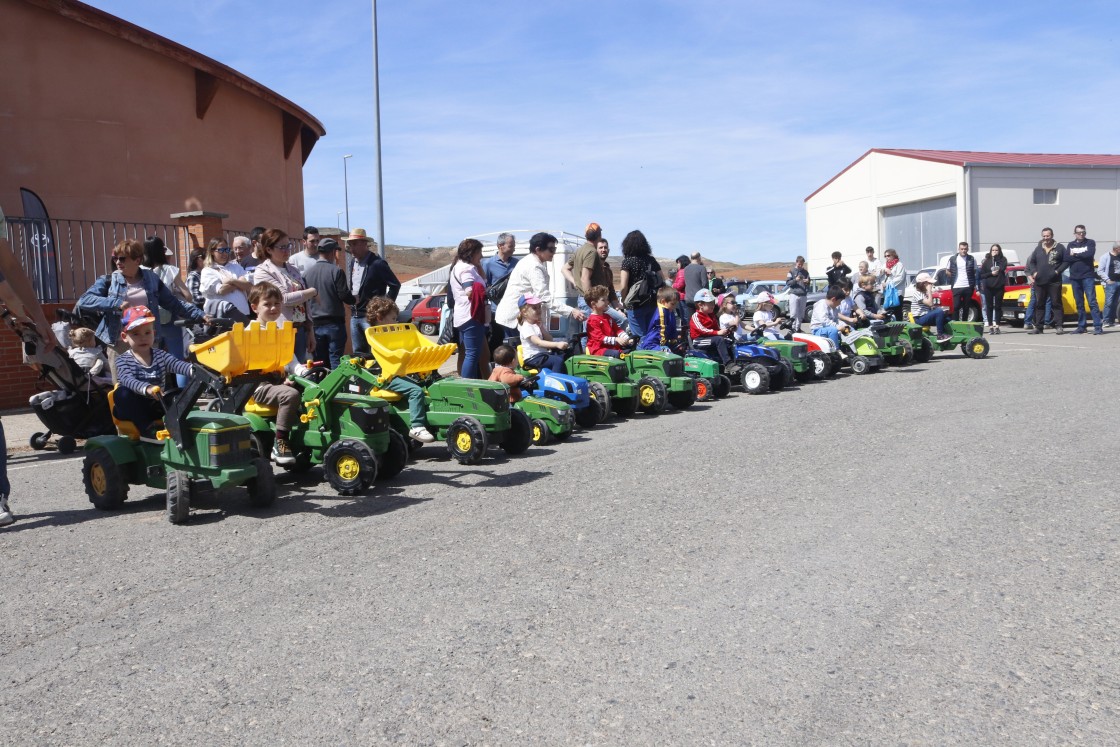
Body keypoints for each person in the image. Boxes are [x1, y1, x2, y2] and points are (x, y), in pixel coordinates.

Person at [79, 239, 205, 379]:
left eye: (122, 258)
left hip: (147, 342)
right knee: (123, 389)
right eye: (115, 258)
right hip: (120, 343)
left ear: (137, 260)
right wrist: (116, 303)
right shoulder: (108, 280)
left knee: (150, 386)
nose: (118, 262)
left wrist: (201, 315)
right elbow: (84, 300)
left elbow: (173, 303)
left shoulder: (152, 279)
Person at [113, 305, 194, 437]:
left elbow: (179, 365)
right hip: (134, 407)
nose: (143, 337)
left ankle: (180, 426)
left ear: (154, 334)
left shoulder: (161, 355)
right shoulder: (123, 360)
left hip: (157, 405)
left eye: (147, 333)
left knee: (179, 396)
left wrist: (197, 371)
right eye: (135, 334)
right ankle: (147, 429)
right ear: (124, 336)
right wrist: (147, 388)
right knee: (121, 393)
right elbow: (127, 380)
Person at [364, 296, 435, 442]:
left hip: (400, 373)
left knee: (429, 383)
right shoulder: (376, 337)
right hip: (388, 378)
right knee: (415, 391)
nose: (396, 322)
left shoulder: (391, 335)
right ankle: (417, 426)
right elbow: (390, 357)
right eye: (394, 318)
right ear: (379, 317)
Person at [495, 232, 586, 344]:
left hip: (520, 317)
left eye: (555, 249)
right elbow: (543, 296)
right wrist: (571, 311)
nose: (554, 252)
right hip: (514, 318)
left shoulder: (534, 262)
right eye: (551, 249)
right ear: (538, 249)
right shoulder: (533, 266)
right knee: (514, 356)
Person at [252, 228, 317, 359]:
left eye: (288, 246)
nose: (287, 250)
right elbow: (284, 299)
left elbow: (305, 304)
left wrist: (310, 331)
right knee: (285, 373)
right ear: (269, 249)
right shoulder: (263, 271)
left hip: (300, 329)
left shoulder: (293, 269)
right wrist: (312, 291)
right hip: (280, 330)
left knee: (300, 372)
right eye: (282, 247)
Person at [346, 228, 401, 356]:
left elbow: (395, 285)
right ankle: (361, 377)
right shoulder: (353, 263)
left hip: (370, 318)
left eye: (354, 244)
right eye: (350, 244)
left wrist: (384, 308)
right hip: (354, 316)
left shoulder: (377, 263)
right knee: (359, 355)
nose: (351, 248)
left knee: (377, 352)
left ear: (364, 244)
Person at [303, 238, 355, 368]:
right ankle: (336, 387)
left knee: (319, 362)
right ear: (332, 252)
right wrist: (355, 299)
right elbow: (344, 295)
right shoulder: (336, 271)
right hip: (334, 324)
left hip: (315, 325)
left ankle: (321, 386)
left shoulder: (306, 274)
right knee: (336, 360)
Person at [448, 238, 491, 379]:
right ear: (472, 253)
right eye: (480, 252)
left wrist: (479, 270)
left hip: (463, 316)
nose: (482, 256)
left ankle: (467, 384)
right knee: (472, 355)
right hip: (472, 316)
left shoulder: (459, 267)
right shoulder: (466, 269)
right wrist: (480, 290)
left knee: (469, 353)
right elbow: (469, 290)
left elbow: (480, 282)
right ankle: (467, 387)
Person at [617, 229, 664, 338]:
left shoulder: (627, 262)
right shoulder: (651, 260)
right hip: (652, 303)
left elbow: (623, 286)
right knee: (651, 336)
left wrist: (625, 301)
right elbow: (662, 280)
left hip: (635, 304)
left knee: (640, 338)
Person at [562, 223, 611, 320]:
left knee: (590, 331)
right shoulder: (592, 252)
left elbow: (564, 269)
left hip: (584, 298)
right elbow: (585, 278)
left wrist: (575, 282)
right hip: (591, 300)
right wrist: (592, 301)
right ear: (599, 235)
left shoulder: (579, 250)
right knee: (593, 331)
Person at [1026, 227, 1067, 334]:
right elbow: (1032, 262)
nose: (1046, 238)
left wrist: (1057, 272)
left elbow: (1066, 262)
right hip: (1040, 281)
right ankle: (1039, 327)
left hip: (1054, 281)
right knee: (1039, 304)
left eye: (1047, 236)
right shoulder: (1038, 248)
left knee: (1056, 303)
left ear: (1052, 235)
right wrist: (1034, 272)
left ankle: (1059, 326)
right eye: (1044, 236)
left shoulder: (1060, 247)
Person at [200, 238, 253, 322]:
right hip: (223, 316)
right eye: (221, 250)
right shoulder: (208, 271)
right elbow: (221, 290)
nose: (225, 253)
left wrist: (231, 281)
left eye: (227, 250)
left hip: (243, 314)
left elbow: (248, 285)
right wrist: (239, 283)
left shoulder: (236, 267)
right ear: (212, 252)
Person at [483, 232, 520, 352]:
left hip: (514, 309)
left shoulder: (517, 263)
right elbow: (485, 286)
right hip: (496, 310)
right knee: (498, 341)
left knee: (514, 340)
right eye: (511, 246)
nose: (514, 249)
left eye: (514, 246)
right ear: (500, 245)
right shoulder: (488, 264)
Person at [1065, 224, 1102, 334]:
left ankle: (1098, 326)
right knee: (1079, 303)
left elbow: (1090, 254)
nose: (1081, 234)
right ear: (1075, 234)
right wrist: (1080, 255)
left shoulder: (1090, 242)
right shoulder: (1070, 244)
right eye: (1079, 232)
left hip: (1087, 276)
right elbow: (1067, 257)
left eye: (1083, 232)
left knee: (1092, 301)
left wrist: (1074, 255)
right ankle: (1082, 326)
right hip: (1075, 278)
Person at [517, 294, 568, 372]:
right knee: (557, 361)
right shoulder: (527, 327)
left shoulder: (537, 325)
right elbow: (539, 343)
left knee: (565, 356)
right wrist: (557, 344)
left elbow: (550, 339)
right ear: (524, 312)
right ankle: (554, 382)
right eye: (534, 308)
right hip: (533, 358)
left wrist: (542, 328)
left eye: (539, 307)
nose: (538, 310)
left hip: (542, 355)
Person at [584, 285, 632, 357]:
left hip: (610, 348)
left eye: (607, 299)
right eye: (603, 300)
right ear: (594, 304)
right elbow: (600, 338)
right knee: (617, 354)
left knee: (631, 351)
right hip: (598, 350)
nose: (607, 302)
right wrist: (616, 340)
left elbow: (617, 330)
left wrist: (627, 339)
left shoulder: (607, 317)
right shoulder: (592, 320)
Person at [689, 288, 733, 364]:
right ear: (700, 305)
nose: (713, 305)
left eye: (713, 303)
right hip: (699, 341)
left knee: (729, 341)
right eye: (710, 303)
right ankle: (728, 363)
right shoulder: (696, 316)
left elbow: (716, 328)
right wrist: (717, 333)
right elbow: (702, 329)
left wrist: (725, 332)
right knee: (719, 339)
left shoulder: (711, 315)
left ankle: (734, 360)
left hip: (710, 338)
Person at [905, 273, 953, 342]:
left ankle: (946, 335)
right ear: (924, 284)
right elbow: (930, 303)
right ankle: (940, 335)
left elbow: (931, 306)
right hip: (919, 319)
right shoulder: (918, 293)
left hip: (924, 316)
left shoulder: (924, 293)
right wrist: (929, 291)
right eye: (929, 284)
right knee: (939, 311)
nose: (931, 285)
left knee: (947, 318)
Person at [639, 286, 684, 354]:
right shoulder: (661, 313)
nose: (674, 307)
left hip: (663, 343)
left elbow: (672, 328)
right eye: (672, 304)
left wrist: (674, 341)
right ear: (663, 301)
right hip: (652, 344)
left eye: (675, 304)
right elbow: (660, 331)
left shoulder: (669, 311)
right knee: (669, 353)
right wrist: (663, 346)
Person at [945, 242, 976, 322]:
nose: (963, 251)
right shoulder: (953, 259)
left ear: (967, 249)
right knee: (956, 306)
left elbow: (975, 270)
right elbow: (947, 270)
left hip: (968, 286)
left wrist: (974, 283)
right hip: (956, 286)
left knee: (966, 307)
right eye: (962, 249)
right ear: (958, 249)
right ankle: (956, 323)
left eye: (965, 249)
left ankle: (964, 324)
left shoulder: (972, 259)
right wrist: (953, 276)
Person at [980, 244, 1008, 334]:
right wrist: (991, 273)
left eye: (996, 250)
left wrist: (996, 259)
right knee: (989, 306)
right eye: (993, 250)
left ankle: (997, 326)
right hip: (988, 287)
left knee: (998, 306)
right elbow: (982, 275)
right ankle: (991, 326)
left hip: (999, 286)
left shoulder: (1003, 260)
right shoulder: (987, 261)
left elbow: (1002, 268)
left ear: (999, 251)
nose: (994, 252)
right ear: (990, 251)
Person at [681, 251, 708, 325]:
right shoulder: (702, 268)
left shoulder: (686, 269)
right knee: (701, 319)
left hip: (688, 298)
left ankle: (692, 334)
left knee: (691, 319)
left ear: (691, 258)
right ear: (699, 258)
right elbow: (705, 284)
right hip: (699, 299)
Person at [1097, 243, 1120, 327]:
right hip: (1111, 283)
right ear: (1117, 248)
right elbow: (1100, 270)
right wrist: (1107, 280)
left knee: (1116, 303)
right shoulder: (1105, 256)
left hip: (1119, 281)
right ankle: (1105, 321)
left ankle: (1112, 321)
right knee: (1109, 302)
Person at [785, 256, 810, 331]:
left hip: (803, 295)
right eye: (799, 264)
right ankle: (792, 328)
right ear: (796, 262)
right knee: (793, 313)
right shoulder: (791, 271)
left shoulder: (806, 272)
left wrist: (807, 282)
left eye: (802, 264)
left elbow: (809, 282)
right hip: (794, 294)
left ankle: (798, 328)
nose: (800, 266)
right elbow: (788, 283)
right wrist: (795, 280)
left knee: (801, 313)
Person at [880, 248, 906, 320]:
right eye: (885, 256)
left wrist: (888, 284)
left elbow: (900, 278)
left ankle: (899, 327)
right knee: (887, 311)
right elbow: (877, 274)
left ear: (893, 255)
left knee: (897, 311)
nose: (887, 257)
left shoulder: (899, 265)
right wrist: (884, 270)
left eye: (888, 255)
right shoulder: (885, 265)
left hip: (897, 292)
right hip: (887, 293)